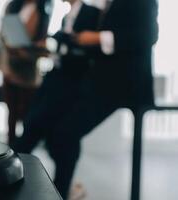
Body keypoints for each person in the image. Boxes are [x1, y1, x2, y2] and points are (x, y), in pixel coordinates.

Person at [12, 0, 159, 198]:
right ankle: (61, 191)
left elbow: (149, 35)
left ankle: (61, 191)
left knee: (64, 133)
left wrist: (96, 38)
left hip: (123, 83)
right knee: (57, 134)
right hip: (97, 79)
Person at [0, 0, 53, 145]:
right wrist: (8, 43)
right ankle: (11, 146)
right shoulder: (12, 6)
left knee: (27, 113)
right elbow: (2, 30)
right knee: (11, 112)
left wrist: (28, 50)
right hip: (9, 66)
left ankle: (23, 147)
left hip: (28, 70)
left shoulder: (44, 11)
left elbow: (42, 42)